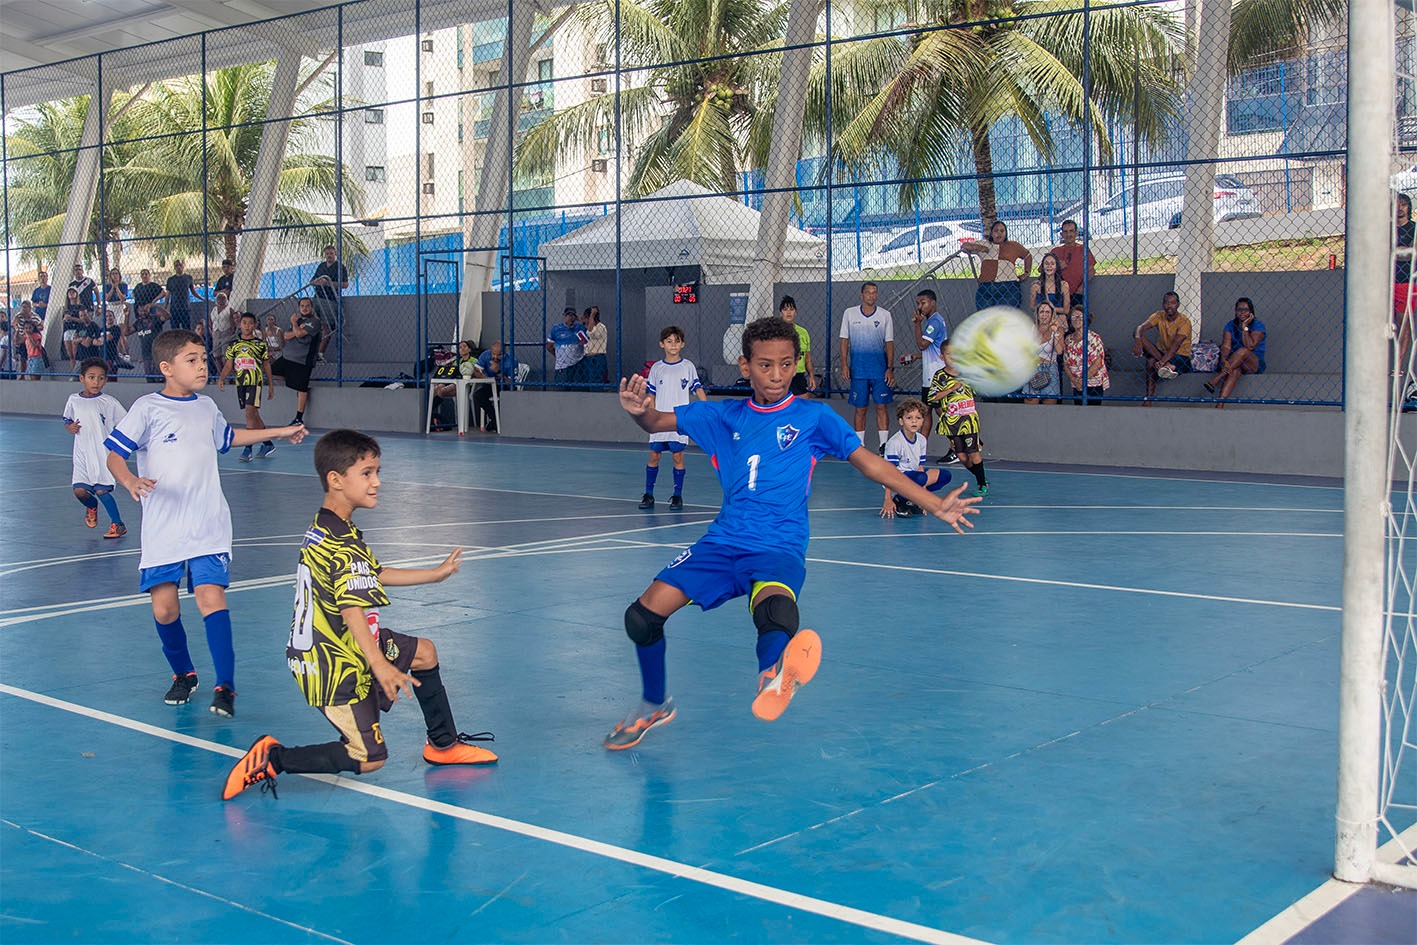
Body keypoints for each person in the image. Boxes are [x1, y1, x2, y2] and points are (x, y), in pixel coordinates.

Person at [604, 317, 981, 749]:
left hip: (779, 543)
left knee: (774, 609)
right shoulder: (720, 415)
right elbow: (656, 422)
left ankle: (773, 675)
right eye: (765, 365)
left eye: (786, 364)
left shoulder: (813, 417)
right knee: (642, 617)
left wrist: (933, 503)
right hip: (723, 541)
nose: (777, 375)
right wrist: (639, 411)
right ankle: (654, 704)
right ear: (745, 366)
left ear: (797, 363)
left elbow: (870, 463)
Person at [221, 428, 497, 800]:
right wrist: (381, 665)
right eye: (367, 473)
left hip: (349, 644)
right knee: (368, 757)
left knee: (424, 652)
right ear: (336, 480)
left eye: (377, 471)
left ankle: (443, 745)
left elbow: (372, 574)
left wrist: (434, 574)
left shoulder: (332, 527)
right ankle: (273, 758)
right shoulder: (341, 542)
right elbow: (351, 608)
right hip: (330, 663)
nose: (377, 482)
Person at [104, 329, 307, 718]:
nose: (202, 365)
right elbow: (115, 452)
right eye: (191, 360)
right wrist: (129, 480)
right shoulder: (147, 408)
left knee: (210, 597)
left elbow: (230, 437)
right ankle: (184, 673)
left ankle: (225, 686)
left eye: (203, 358)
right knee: (164, 609)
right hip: (163, 527)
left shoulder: (206, 407)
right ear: (167, 368)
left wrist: (281, 430)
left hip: (208, 523)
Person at [638, 326, 707, 511]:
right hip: (659, 421)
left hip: (679, 420)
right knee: (654, 455)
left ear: (682, 344)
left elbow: (698, 389)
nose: (673, 345)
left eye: (677, 341)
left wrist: (706, 408)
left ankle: (677, 496)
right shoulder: (656, 369)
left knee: (678, 457)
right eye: (669, 341)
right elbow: (651, 395)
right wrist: (651, 415)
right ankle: (648, 494)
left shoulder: (688, 366)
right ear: (662, 344)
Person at [64, 358, 129, 539]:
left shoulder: (109, 402)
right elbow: (67, 420)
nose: (96, 382)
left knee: (102, 490)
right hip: (82, 453)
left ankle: (118, 524)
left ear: (106, 380)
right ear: (82, 378)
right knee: (79, 491)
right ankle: (91, 506)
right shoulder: (74, 400)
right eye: (91, 377)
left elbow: (126, 424)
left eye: (101, 378)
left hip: (102, 454)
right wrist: (70, 428)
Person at [838, 282, 895, 452]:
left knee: (881, 407)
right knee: (860, 408)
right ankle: (859, 447)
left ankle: (883, 446)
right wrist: (844, 365)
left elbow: (889, 343)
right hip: (858, 371)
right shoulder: (849, 313)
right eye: (868, 293)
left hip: (879, 371)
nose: (872, 295)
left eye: (874, 293)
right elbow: (844, 341)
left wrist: (889, 368)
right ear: (861, 295)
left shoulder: (885, 315)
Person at [927, 347, 989, 497]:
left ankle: (982, 484)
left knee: (973, 453)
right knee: (962, 457)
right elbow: (932, 397)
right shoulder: (940, 376)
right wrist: (951, 389)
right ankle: (981, 477)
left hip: (969, 421)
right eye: (949, 354)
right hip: (952, 423)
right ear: (942, 357)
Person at [219, 312, 278, 462]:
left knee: (249, 411)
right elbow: (228, 364)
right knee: (253, 414)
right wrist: (222, 378)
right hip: (241, 382)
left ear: (255, 325)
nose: (247, 326)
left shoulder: (260, 344)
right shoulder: (234, 345)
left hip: (255, 381)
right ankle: (267, 443)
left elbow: (266, 365)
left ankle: (248, 447)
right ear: (240, 325)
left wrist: (270, 384)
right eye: (244, 323)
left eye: (250, 323)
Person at [879, 399, 951, 518]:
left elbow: (919, 467)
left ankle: (911, 500)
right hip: (896, 481)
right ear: (901, 421)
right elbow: (888, 473)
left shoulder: (922, 439)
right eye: (909, 418)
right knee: (921, 477)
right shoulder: (895, 442)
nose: (914, 421)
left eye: (918, 418)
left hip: (915, 479)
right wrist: (887, 499)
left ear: (923, 421)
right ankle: (899, 499)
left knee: (945, 475)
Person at [1131, 290, 1193, 402]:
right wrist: (1137, 340)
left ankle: (1169, 367)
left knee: (1152, 362)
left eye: (1172, 303)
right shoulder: (1159, 315)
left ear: (1178, 304)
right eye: (1166, 303)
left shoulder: (1184, 321)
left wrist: (1162, 361)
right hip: (1162, 353)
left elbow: (1175, 346)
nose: (1169, 306)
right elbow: (1140, 328)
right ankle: (1149, 398)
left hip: (1180, 355)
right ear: (1162, 304)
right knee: (1140, 337)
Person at [910, 289, 949, 461]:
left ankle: (958, 445)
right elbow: (931, 350)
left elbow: (922, 344)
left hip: (935, 377)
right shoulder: (932, 322)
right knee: (927, 413)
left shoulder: (934, 322)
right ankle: (921, 451)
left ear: (933, 302)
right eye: (918, 303)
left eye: (923, 303)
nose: (920, 307)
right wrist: (915, 357)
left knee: (942, 413)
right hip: (929, 376)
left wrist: (917, 324)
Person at [1205, 297, 1266, 408]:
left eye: (1245, 310)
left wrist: (1244, 327)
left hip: (1253, 363)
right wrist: (1224, 361)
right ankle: (1219, 405)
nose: (1242, 312)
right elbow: (1226, 346)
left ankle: (1218, 378)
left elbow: (1250, 346)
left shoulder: (1258, 325)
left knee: (1243, 351)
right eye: (1239, 309)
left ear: (1251, 312)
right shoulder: (1230, 325)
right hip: (1234, 362)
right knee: (1234, 371)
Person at [272, 297, 322, 425]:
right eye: (302, 306)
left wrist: (295, 325)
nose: (305, 308)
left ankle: (298, 418)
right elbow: (286, 335)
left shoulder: (314, 322)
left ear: (311, 307)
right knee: (270, 371)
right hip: (288, 357)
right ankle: (291, 379)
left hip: (302, 360)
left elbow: (300, 334)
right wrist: (296, 329)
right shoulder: (298, 320)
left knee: (301, 388)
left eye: (307, 306)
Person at [962, 220, 1031, 311]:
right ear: (991, 233)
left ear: (1006, 233)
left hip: (1009, 286)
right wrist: (978, 248)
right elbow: (964, 246)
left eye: (1002, 231)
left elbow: (1027, 256)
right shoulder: (985, 244)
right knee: (985, 317)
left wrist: (1027, 272)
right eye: (996, 231)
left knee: (1006, 318)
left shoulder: (1014, 246)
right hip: (986, 286)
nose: (999, 233)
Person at [1063, 304, 1110, 405]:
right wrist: (1074, 380)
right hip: (1076, 384)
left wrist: (1082, 380)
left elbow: (1098, 362)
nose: (1077, 319)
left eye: (1080, 316)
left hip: (1093, 383)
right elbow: (1066, 363)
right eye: (1074, 317)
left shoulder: (1094, 338)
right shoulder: (1068, 339)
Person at [1022, 301, 1065, 405]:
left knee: (1049, 405)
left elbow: (1059, 351)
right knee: (1030, 403)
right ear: (1037, 314)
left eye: (1047, 312)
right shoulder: (1031, 329)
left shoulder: (1058, 329)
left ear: (1052, 314)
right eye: (1042, 312)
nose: (1044, 315)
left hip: (1050, 368)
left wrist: (1055, 332)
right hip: (1033, 368)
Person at [312, 245, 349, 361]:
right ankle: (312, 351)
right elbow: (312, 281)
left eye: (331, 253)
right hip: (317, 297)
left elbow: (345, 284)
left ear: (335, 254)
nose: (329, 256)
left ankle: (320, 353)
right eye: (327, 253)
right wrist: (319, 282)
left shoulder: (340, 267)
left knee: (326, 326)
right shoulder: (321, 266)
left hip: (330, 300)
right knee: (313, 325)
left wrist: (328, 283)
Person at [474, 340, 518, 433]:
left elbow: (511, 382)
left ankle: (497, 422)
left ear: (505, 354)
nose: (495, 357)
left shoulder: (512, 360)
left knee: (509, 395)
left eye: (499, 355)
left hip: (505, 386)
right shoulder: (485, 355)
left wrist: (498, 372)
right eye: (493, 354)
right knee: (478, 395)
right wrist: (478, 373)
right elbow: (477, 370)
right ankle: (495, 420)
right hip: (489, 384)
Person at [1052, 219, 1095, 309]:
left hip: (1078, 293)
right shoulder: (1056, 251)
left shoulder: (1083, 249)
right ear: (1061, 234)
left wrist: (1081, 288)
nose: (1068, 234)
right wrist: (1056, 266)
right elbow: (1041, 269)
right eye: (1066, 232)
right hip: (1060, 294)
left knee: (1078, 319)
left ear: (1076, 233)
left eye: (1071, 231)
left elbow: (1091, 270)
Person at [778, 296, 815, 397]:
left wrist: (811, 376)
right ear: (781, 313)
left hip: (799, 376)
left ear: (796, 312)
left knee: (802, 408)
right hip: (781, 376)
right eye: (785, 309)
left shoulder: (803, 333)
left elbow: (808, 358)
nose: (788, 312)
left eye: (791, 309)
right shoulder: (775, 332)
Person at [1395, 193, 1414, 394]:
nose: (1400, 208)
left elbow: (1410, 254)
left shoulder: (1414, 229)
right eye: (1397, 205)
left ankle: (1399, 365)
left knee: (1403, 323)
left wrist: (1400, 252)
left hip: (1406, 282)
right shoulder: (1387, 229)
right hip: (1386, 281)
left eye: (1404, 205)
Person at [546, 307, 588, 388]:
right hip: (562, 366)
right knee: (561, 390)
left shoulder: (580, 328)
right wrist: (558, 356)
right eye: (569, 315)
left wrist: (581, 320)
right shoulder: (556, 329)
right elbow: (549, 346)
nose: (571, 318)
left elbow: (587, 341)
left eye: (573, 316)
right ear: (564, 316)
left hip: (577, 365)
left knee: (578, 390)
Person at [162, 259, 197, 330]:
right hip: (174, 309)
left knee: (187, 329)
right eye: (176, 266)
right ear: (174, 268)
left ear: (183, 266)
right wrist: (164, 309)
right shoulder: (171, 280)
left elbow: (193, 292)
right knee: (175, 330)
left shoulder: (188, 278)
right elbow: (167, 296)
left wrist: (203, 298)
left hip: (185, 308)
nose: (178, 267)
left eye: (180, 265)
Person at [103, 268, 130, 358]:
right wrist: (112, 287)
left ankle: (126, 353)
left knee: (121, 332)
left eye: (116, 274)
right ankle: (118, 353)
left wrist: (117, 287)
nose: (114, 276)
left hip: (119, 306)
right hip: (111, 306)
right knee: (113, 331)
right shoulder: (107, 286)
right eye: (113, 274)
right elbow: (106, 298)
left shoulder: (123, 285)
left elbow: (123, 298)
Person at [583, 306, 608, 384]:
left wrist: (592, 315)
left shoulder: (601, 327)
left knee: (596, 380)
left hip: (597, 357)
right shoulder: (590, 327)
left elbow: (591, 333)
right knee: (589, 380)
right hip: (589, 357)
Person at [61, 288, 85, 367]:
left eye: (73, 292)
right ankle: (73, 372)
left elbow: (83, 320)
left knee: (75, 354)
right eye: (69, 292)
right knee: (70, 355)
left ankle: (77, 371)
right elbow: (63, 319)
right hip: (67, 331)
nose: (71, 294)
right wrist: (65, 319)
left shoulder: (80, 307)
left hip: (76, 330)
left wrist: (71, 318)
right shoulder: (66, 308)